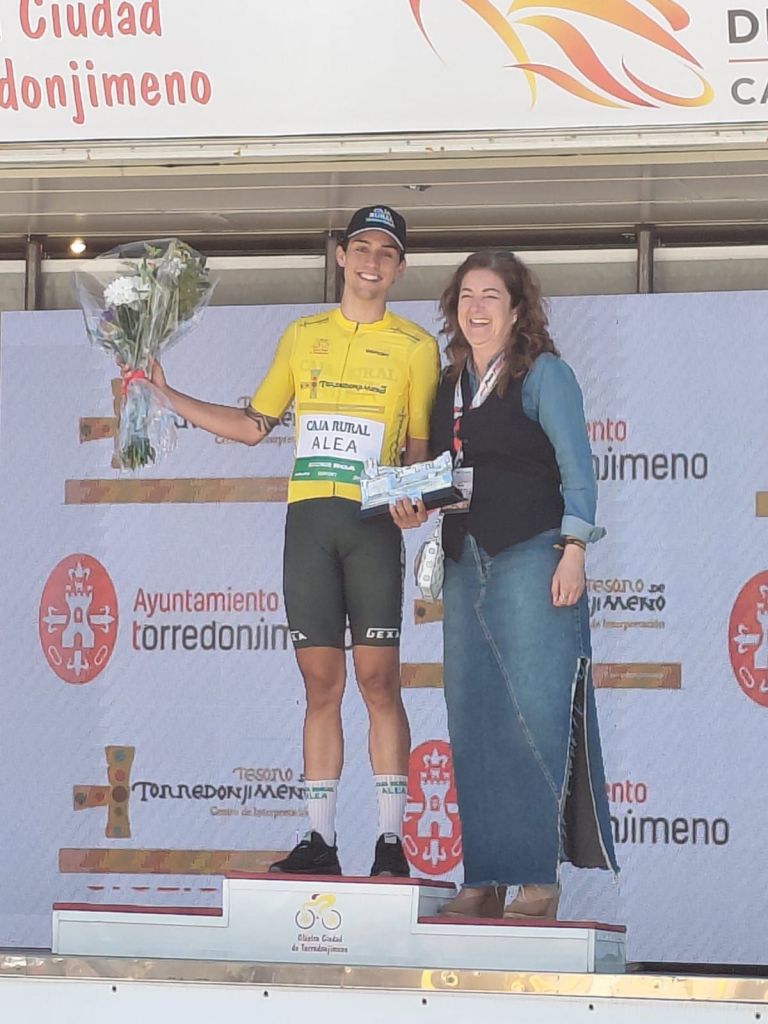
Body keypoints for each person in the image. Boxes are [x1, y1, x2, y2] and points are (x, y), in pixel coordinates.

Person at [148, 206, 440, 876]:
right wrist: (167, 397)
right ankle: (319, 840)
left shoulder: (416, 347)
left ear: (400, 268)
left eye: (385, 253)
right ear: (341, 256)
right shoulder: (302, 335)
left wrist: (415, 503)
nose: (371, 262)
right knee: (319, 684)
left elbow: (419, 453)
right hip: (308, 523)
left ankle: (390, 843)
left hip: (370, 526)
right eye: (361, 248)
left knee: (379, 681)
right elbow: (254, 425)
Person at [391, 250, 618, 918]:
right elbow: (439, 474)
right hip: (465, 561)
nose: (477, 307)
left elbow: (578, 469)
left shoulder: (546, 374)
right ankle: (483, 879)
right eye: (467, 295)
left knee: (532, 716)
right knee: (473, 719)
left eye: (492, 295)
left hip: (532, 556)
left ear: (518, 309)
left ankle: (535, 882)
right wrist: (409, 504)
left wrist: (574, 549)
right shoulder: (447, 384)